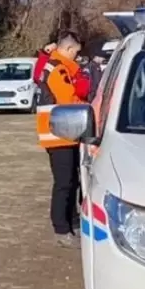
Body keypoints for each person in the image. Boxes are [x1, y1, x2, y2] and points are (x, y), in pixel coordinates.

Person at [35, 31, 89, 248]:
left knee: (72, 181)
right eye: (76, 52)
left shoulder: (61, 66)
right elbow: (68, 98)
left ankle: (71, 222)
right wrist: (86, 106)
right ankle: (61, 229)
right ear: (68, 49)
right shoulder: (58, 68)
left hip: (66, 132)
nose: (77, 56)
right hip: (59, 133)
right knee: (64, 183)